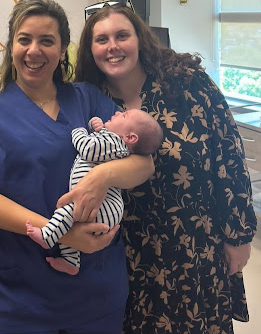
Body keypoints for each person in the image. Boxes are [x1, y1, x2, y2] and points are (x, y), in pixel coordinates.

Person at [0, 0, 155, 334]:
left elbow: (144, 163)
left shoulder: (87, 99)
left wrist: (102, 176)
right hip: (9, 298)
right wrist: (61, 233)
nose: (34, 51)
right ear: (11, 46)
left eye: (47, 41)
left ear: (62, 50)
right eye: (24, 39)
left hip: (92, 293)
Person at [72, 2, 257, 334]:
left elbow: (229, 156)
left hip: (195, 249)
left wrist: (239, 235)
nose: (113, 46)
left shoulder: (186, 84)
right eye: (102, 39)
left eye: (122, 35)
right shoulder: (88, 101)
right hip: (127, 258)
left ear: (139, 39)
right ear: (90, 49)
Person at [26, 109, 163, 275]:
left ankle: (48, 236)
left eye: (124, 115)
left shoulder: (115, 143)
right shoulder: (111, 141)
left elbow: (88, 148)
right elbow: (99, 139)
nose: (118, 112)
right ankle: (71, 261)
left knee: (67, 211)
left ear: (130, 138)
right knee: (69, 223)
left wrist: (79, 132)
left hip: (104, 207)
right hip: (105, 210)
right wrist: (95, 125)